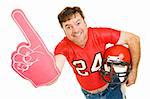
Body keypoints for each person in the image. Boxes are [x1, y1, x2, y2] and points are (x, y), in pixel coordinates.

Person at [54, 6, 140, 99]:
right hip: (89, 95)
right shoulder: (62, 47)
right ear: (63, 29)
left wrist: (134, 70)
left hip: (112, 87)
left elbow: (133, 39)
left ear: (84, 21)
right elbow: (54, 71)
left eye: (78, 23)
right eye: (68, 27)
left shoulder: (98, 34)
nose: (75, 30)